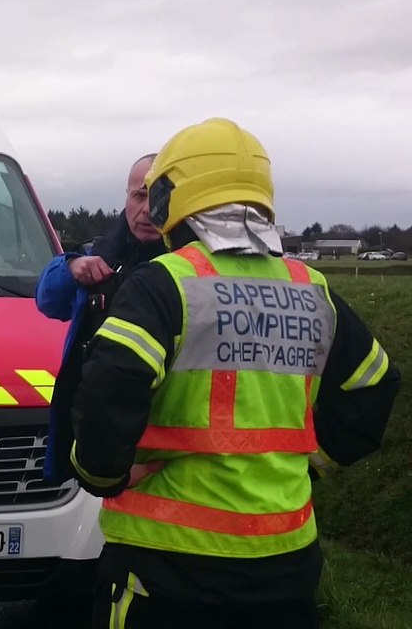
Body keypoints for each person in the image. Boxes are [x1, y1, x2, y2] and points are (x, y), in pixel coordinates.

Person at [69, 118, 401, 627]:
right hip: (285, 562)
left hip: (167, 565)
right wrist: (313, 461)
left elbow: (110, 384)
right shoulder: (312, 288)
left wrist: (102, 474)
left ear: (172, 198)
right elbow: (374, 384)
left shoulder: (164, 282)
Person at [36, 153, 167, 484]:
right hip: (96, 440)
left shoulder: (189, 269)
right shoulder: (99, 255)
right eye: (139, 195)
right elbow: (48, 300)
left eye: (160, 197)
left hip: (161, 447)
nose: (148, 210)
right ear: (126, 196)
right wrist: (70, 268)